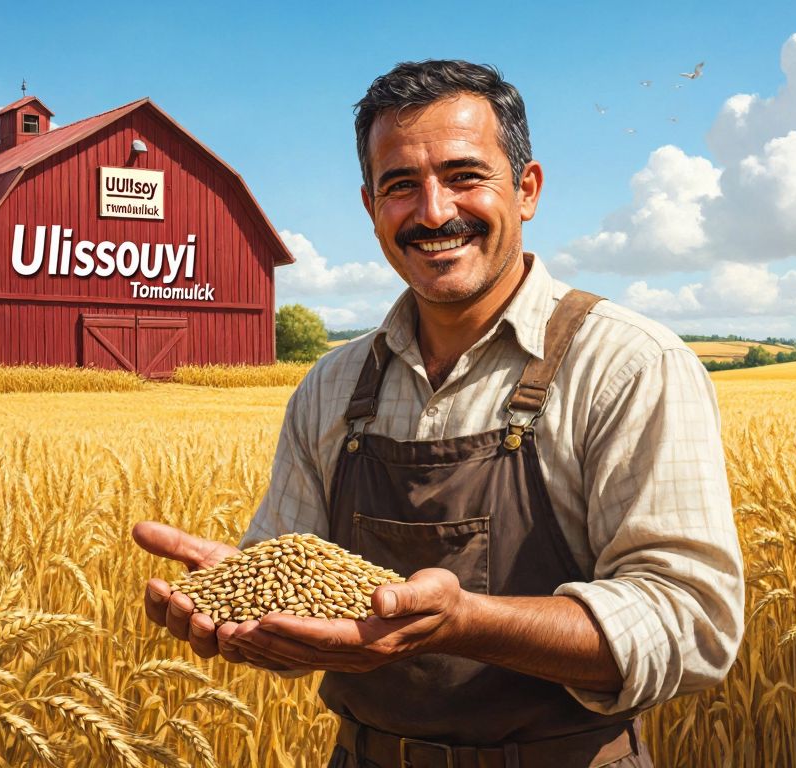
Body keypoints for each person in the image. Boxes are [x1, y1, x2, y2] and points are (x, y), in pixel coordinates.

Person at [133, 59, 744, 768]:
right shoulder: (331, 387)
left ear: (526, 189)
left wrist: (466, 623)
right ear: (370, 208)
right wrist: (248, 617)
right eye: (400, 186)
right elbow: (292, 599)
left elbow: (691, 622)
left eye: (464, 175)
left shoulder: (629, 364)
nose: (432, 212)